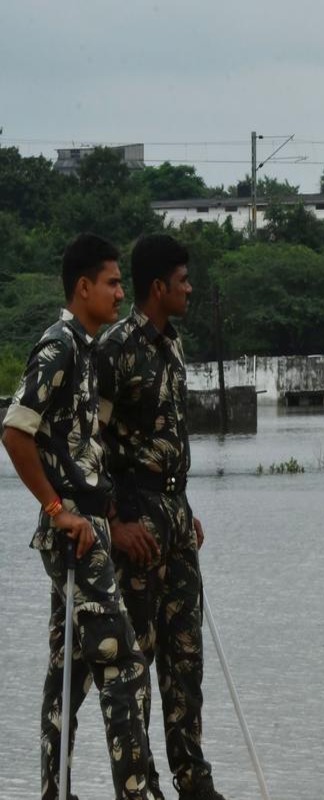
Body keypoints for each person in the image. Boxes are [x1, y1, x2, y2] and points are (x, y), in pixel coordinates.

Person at [2, 233, 156, 800]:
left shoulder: (89, 350)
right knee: (124, 664)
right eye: (112, 283)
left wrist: (108, 501)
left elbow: (81, 448)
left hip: (90, 527)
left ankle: (52, 793)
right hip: (72, 535)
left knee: (67, 674)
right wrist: (55, 509)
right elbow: (16, 431)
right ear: (83, 286)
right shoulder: (59, 346)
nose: (120, 293)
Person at [95, 233, 227, 800]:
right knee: (138, 665)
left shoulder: (173, 347)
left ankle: (194, 784)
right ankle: (140, 789)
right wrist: (116, 524)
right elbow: (91, 446)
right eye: (183, 281)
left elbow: (169, 437)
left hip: (174, 516)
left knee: (186, 659)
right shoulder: (115, 349)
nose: (191, 289)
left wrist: (183, 509)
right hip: (136, 523)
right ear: (158, 288)